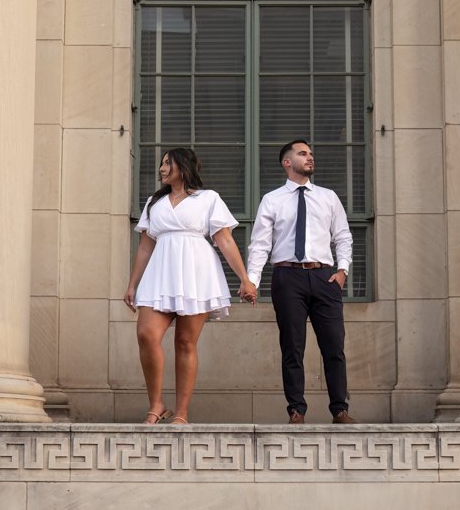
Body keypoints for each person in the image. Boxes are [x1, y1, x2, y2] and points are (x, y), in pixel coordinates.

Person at [124, 147, 257, 424]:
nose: (161, 169)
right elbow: (146, 247)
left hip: (196, 273)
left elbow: (225, 240)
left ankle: (181, 412)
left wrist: (244, 278)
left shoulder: (208, 199)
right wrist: (133, 284)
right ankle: (157, 404)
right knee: (147, 335)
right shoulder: (154, 202)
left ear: (182, 167)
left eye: (166, 163)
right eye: (161, 164)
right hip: (160, 273)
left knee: (185, 342)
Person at [247, 139, 356, 424]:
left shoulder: (328, 197)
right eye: (303, 154)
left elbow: (343, 236)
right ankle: (297, 409)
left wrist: (342, 271)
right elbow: (260, 245)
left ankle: (340, 410)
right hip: (287, 276)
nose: (310, 158)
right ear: (287, 162)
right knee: (292, 346)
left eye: (311, 154)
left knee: (334, 346)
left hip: (324, 276)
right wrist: (252, 281)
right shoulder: (272, 200)